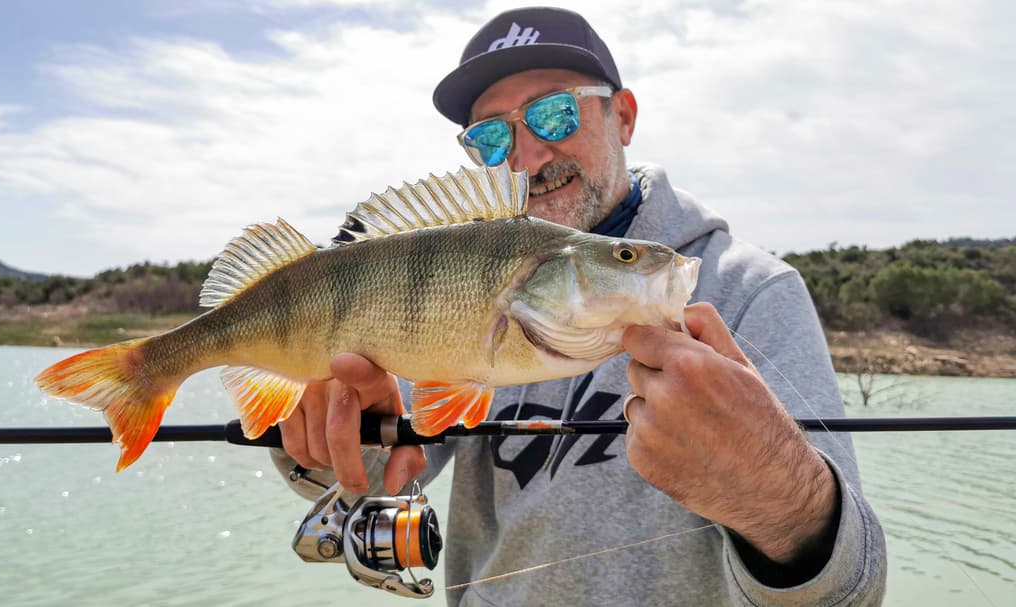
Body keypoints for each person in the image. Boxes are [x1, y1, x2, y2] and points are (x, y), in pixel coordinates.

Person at [273, 6, 886, 605]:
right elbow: (376, 479)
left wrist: (778, 492)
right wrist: (317, 437)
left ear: (622, 116)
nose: (528, 155)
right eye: (491, 136)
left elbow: (852, 590)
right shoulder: (460, 285)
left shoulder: (752, 291)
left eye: (555, 113)